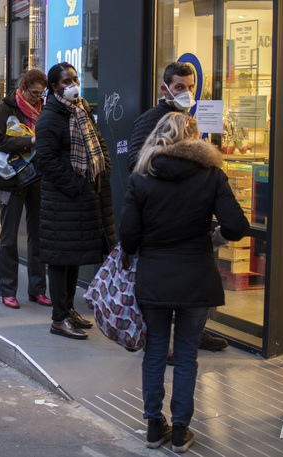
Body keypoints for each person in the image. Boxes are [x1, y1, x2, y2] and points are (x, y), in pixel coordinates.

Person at [120, 112, 249, 452]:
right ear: (194, 139)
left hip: (155, 277)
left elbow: (128, 236)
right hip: (197, 276)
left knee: (156, 351)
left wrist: (141, 247)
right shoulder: (211, 175)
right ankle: (180, 431)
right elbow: (237, 225)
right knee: (188, 355)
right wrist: (216, 237)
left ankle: (152, 425)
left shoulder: (141, 178)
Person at [128, 61, 229, 353]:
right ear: (165, 89)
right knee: (167, 281)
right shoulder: (152, 120)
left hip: (188, 214)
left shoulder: (185, 117)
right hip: (162, 215)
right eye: (180, 87)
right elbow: (134, 162)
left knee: (190, 280)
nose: (187, 93)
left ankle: (193, 332)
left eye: (190, 87)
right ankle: (169, 341)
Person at [35, 62, 116, 340]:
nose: (73, 84)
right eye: (66, 80)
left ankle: (68, 310)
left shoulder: (81, 109)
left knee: (72, 258)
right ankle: (58, 318)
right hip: (63, 200)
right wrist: (75, 185)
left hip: (81, 198)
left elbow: (99, 143)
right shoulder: (50, 116)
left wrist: (102, 168)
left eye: (75, 78)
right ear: (54, 87)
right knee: (59, 259)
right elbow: (44, 159)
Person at [0, 69, 52, 309]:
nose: (37, 98)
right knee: (9, 237)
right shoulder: (6, 107)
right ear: (23, 87)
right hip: (11, 179)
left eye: (40, 94)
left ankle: (37, 290)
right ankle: (8, 290)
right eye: (33, 93)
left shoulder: (43, 109)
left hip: (37, 178)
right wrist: (30, 142)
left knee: (38, 237)